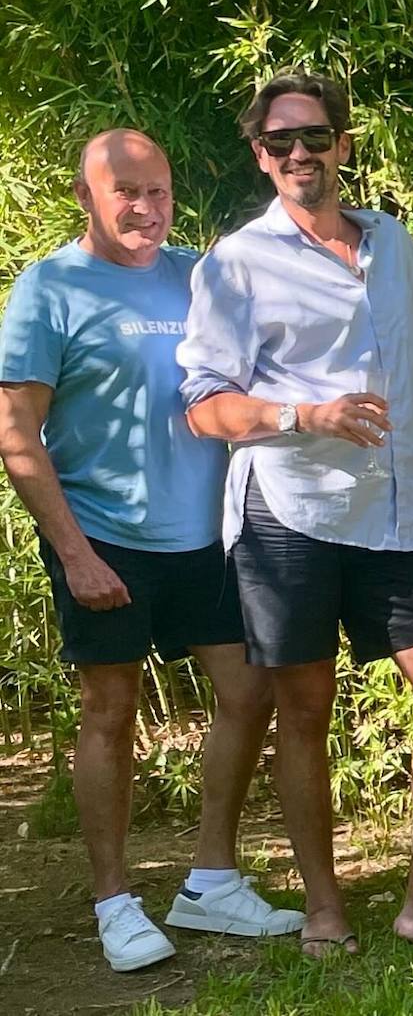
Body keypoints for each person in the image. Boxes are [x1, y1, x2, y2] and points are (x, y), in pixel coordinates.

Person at [176, 71, 413, 957]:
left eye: (315, 138)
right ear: (259, 156)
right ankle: (324, 907)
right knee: (303, 709)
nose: (298, 155)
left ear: (344, 145)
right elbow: (203, 405)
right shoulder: (235, 262)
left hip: (391, 521)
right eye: (280, 143)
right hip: (288, 517)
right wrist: (302, 416)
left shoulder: (393, 244)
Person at [0, 131, 302, 974]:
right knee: (111, 709)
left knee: (250, 692)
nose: (145, 207)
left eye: (159, 191)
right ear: (83, 195)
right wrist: (73, 553)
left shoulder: (200, 274)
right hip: (105, 535)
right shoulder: (50, 288)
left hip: (207, 534)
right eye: (125, 191)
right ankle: (114, 901)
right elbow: (15, 430)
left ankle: (209, 881)